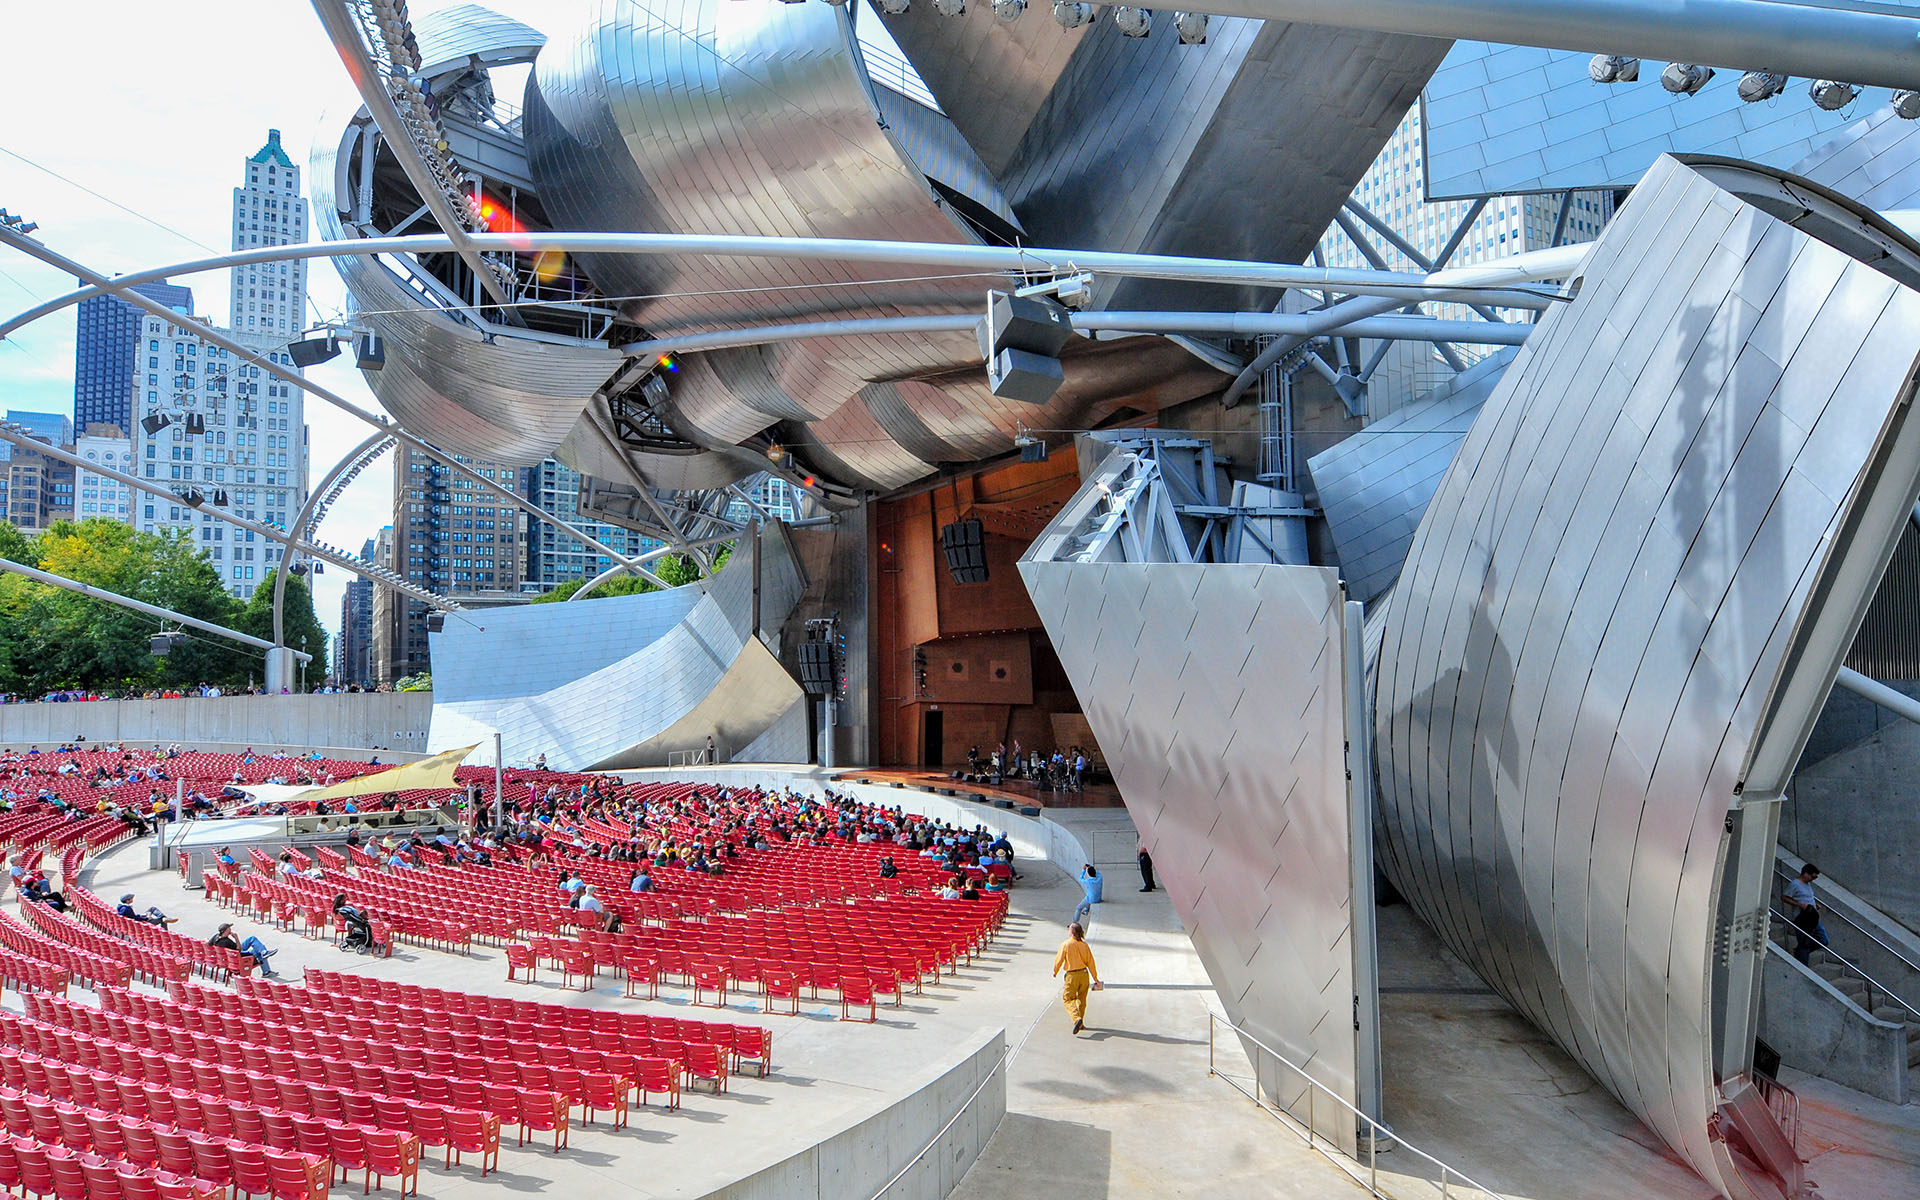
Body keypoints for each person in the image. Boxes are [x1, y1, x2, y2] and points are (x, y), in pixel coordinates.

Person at [1052, 922, 1101, 1034]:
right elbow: (1091, 962)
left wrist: (1055, 971)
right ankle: (1081, 1023)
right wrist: (1095, 978)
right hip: (1084, 974)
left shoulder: (1066, 944)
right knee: (1082, 1000)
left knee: (1068, 999)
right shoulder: (1085, 945)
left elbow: (1059, 960)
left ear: (1072, 932)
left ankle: (1076, 1018)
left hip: (1072, 975)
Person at [1784, 863, 1830, 965]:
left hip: (1812, 917)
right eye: (1812, 876)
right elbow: (1785, 897)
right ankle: (1802, 962)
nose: (1813, 879)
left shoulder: (1808, 885)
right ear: (1805, 873)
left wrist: (1814, 904)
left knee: (1823, 939)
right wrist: (1799, 904)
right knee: (1804, 943)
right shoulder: (1795, 884)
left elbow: (1807, 898)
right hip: (1802, 918)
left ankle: (1800, 953)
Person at [210, 923, 279, 977]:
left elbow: (209, 943)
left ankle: (264, 952)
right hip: (237, 957)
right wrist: (236, 938)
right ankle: (266, 969)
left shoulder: (216, 937)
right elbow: (239, 950)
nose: (231, 930)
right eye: (229, 929)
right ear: (226, 931)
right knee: (257, 952)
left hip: (230, 957)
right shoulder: (227, 941)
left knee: (252, 939)